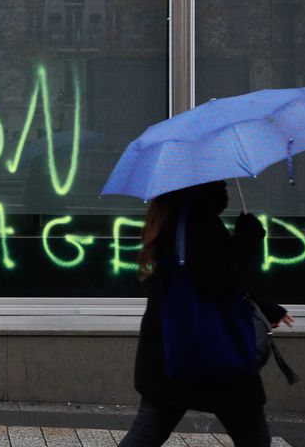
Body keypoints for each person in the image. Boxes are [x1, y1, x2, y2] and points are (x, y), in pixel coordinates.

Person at [118, 180, 294, 447]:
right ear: (200, 185)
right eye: (218, 182)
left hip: (175, 351)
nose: (224, 187)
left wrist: (266, 306)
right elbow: (217, 280)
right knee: (254, 438)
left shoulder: (172, 216)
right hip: (214, 352)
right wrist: (247, 239)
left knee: (147, 434)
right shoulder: (199, 221)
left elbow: (207, 279)